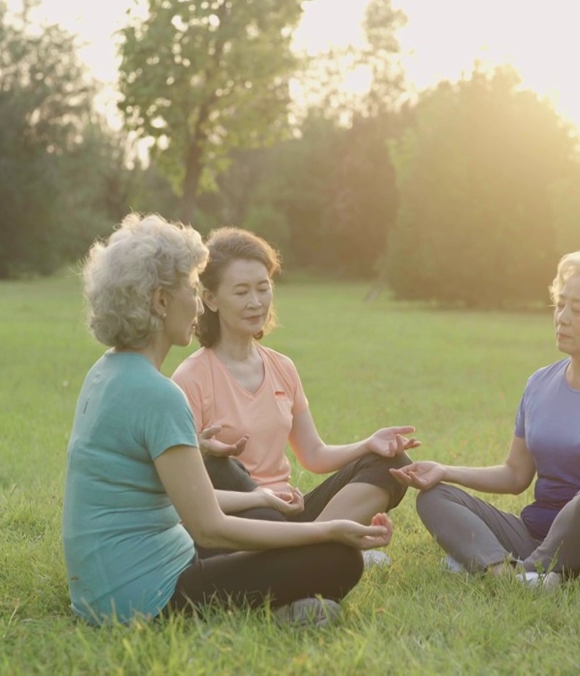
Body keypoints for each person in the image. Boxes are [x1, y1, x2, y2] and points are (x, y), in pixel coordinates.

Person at [62, 214, 392, 627]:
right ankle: (282, 611)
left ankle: (288, 601)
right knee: (339, 561)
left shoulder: (107, 372)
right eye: (189, 288)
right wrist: (327, 532)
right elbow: (209, 529)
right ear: (161, 302)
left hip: (104, 588)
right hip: (146, 599)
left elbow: (191, 500)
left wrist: (259, 498)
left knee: (306, 549)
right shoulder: (158, 393)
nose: (198, 302)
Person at [390, 247, 580, 586]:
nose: (562, 317)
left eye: (577, 309)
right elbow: (515, 474)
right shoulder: (539, 383)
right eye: (560, 304)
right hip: (539, 533)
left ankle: (519, 570)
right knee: (436, 497)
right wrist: (445, 471)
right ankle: (511, 574)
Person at [171, 228, 418, 566]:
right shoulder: (190, 378)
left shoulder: (282, 368)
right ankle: (317, 552)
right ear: (211, 299)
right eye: (241, 291)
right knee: (218, 463)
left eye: (263, 287)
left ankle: (314, 547)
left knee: (391, 465)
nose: (256, 302)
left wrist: (367, 445)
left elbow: (314, 455)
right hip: (239, 519)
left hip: (289, 514)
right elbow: (186, 488)